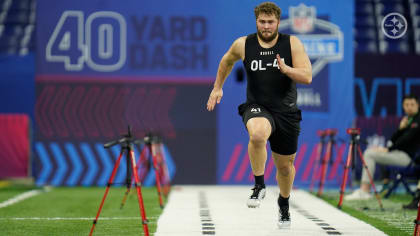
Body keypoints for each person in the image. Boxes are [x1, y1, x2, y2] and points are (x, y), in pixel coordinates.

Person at [206, 2, 312, 228]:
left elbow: (307, 76)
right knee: (257, 134)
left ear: (278, 22)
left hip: (286, 111)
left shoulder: (291, 43)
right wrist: (217, 87)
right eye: (262, 22)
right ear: (256, 21)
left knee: (284, 168)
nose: (266, 26)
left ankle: (283, 203)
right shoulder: (243, 44)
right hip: (257, 106)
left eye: (270, 22)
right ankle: (259, 185)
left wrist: (287, 70)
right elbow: (226, 61)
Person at [345, 94, 420, 200]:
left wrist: (388, 149)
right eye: (406, 104)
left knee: (369, 154)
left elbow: (406, 139)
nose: (409, 107)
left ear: (418, 105)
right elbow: (394, 140)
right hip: (398, 154)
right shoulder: (408, 120)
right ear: (403, 106)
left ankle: (365, 190)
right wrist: (400, 129)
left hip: (410, 159)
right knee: (370, 152)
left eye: (412, 104)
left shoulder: (418, 120)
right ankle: (365, 189)